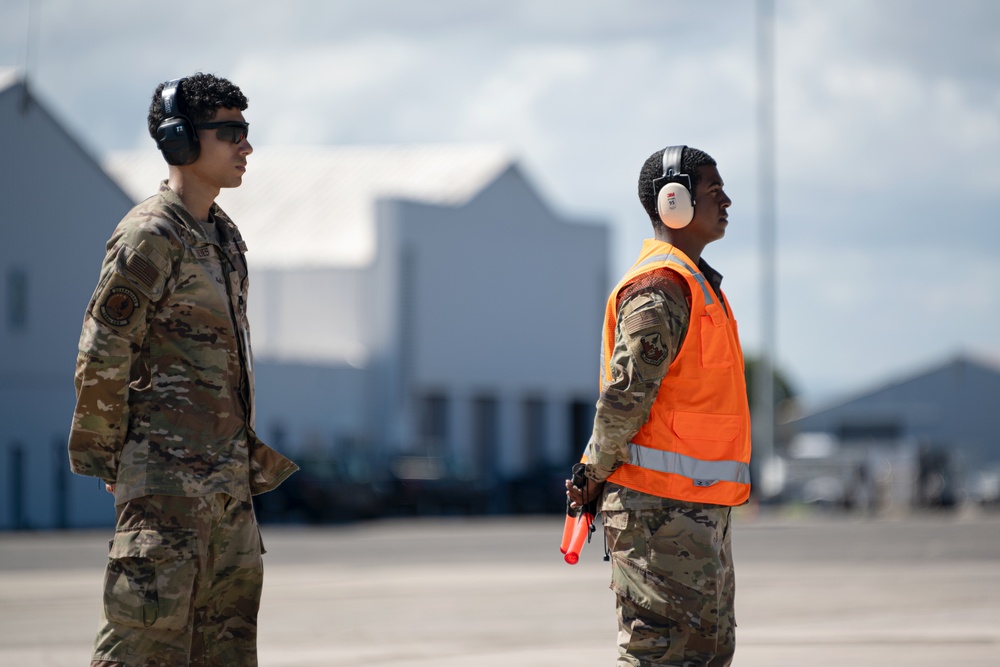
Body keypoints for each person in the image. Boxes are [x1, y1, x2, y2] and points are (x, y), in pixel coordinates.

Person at [68, 73, 298, 667]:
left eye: (246, 132)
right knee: (140, 648)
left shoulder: (224, 237)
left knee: (226, 651)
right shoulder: (151, 235)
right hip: (165, 485)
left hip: (227, 486)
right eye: (231, 133)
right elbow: (104, 348)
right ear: (181, 140)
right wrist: (110, 456)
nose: (246, 146)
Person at [566, 145, 751, 666]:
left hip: (692, 512)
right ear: (674, 201)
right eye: (714, 191)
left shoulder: (695, 286)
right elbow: (625, 397)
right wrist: (590, 475)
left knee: (706, 653)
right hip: (656, 514)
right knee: (661, 655)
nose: (727, 201)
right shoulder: (659, 289)